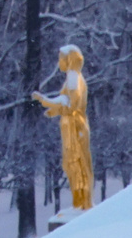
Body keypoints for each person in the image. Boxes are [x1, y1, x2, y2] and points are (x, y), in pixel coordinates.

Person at [30, 46, 93, 213]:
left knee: (75, 164)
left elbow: (70, 105)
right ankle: (80, 202)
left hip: (74, 127)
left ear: (69, 60)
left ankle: (81, 202)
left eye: (61, 59)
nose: (59, 63)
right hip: (74, 126)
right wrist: (54, 109)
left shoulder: (73, 77)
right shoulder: (73, 78)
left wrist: (45, 100)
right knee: (74, 164)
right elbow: (67, 102)